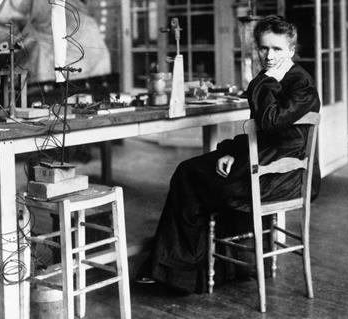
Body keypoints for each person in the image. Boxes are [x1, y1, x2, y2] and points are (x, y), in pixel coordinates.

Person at [136, 15, 321, 294]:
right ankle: (214, 268)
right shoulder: (273, 78)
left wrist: (265, 81)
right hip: (269, 167)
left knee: (189, 175)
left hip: (286, 178)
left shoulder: (299, 84)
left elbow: (270, 122)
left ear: (291, 51)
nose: (268, 56)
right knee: (200, 171)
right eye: (263, 48)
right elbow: (264, 131)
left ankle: (179, 272)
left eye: (277, 49)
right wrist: (232, 151)